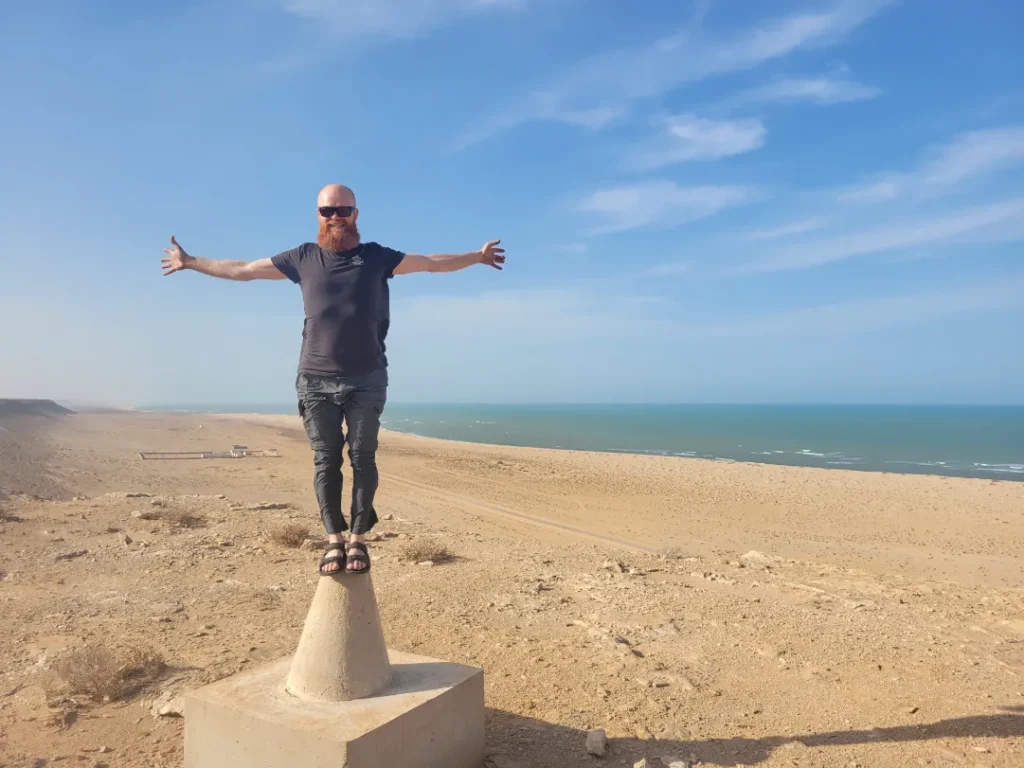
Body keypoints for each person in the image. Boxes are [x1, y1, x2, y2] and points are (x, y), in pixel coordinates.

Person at [161, 183, 505, 575]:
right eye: (328, 211)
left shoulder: (376, 257)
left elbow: (429, 262)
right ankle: (333, 540)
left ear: (356, 213)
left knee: (362, 457)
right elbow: (244, 270)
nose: (336, 217)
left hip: (367, 377)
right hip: (315, 379)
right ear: (318, 215)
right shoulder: (302, 257)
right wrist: (191, 262)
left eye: (343, 210)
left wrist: (476, 257)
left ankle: (358, 539)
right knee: (326, 461)